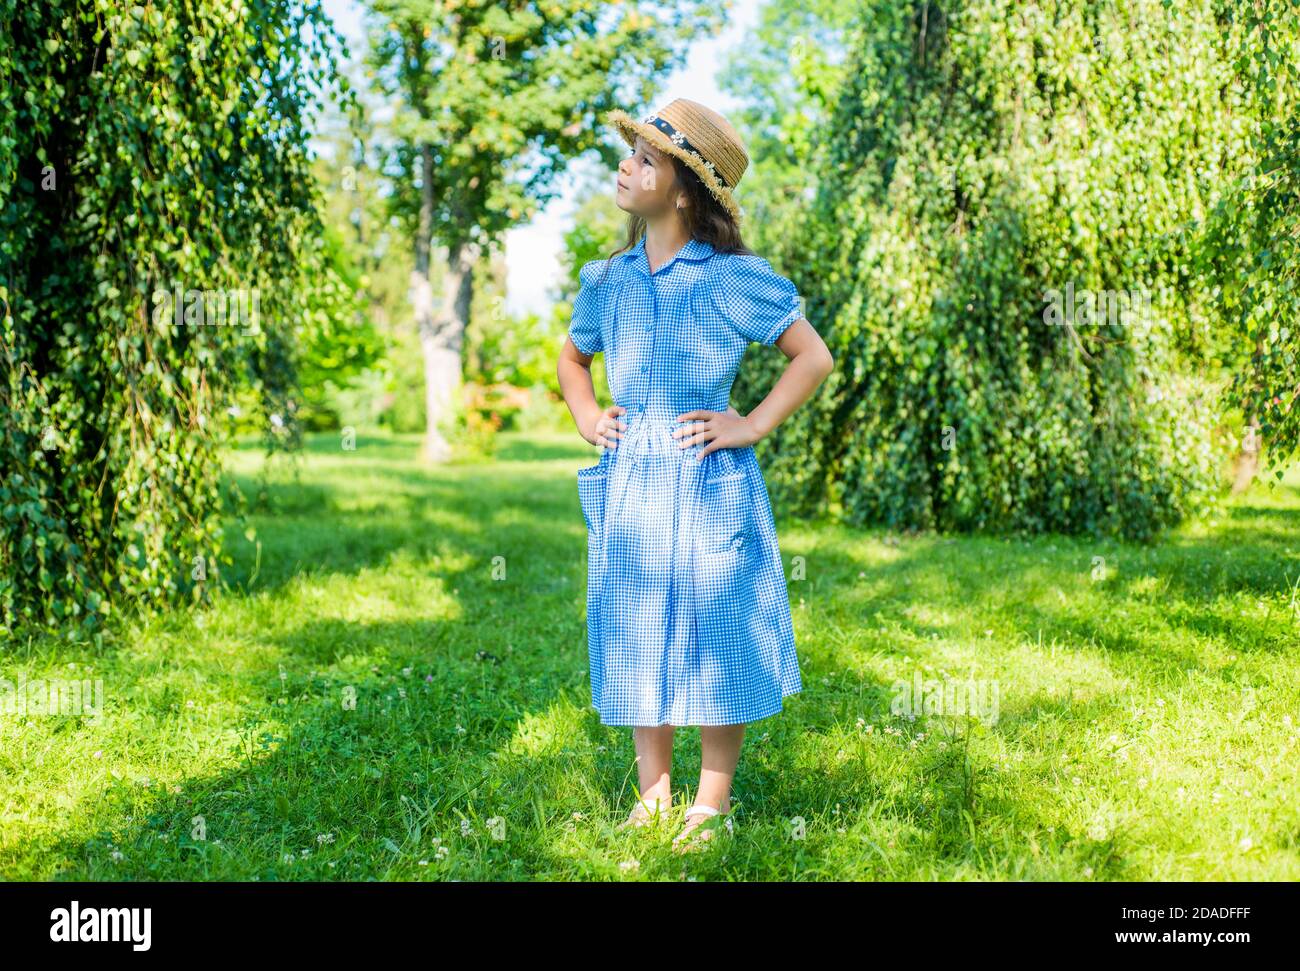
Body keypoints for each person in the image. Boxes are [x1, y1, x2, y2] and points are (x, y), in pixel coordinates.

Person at [556, 98, 834, 853]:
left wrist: (751, 423)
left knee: (716, 630)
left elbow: (812, 356)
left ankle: (711, 803)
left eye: (647, 159)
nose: (628, 164)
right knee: (640, 627)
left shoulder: (729, 279)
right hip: (633, 484)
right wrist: (586, 415)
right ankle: (653, 796)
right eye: (632, 152)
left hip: (708, 482)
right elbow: (573, 358)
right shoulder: (608, 281)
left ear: (683, 192)